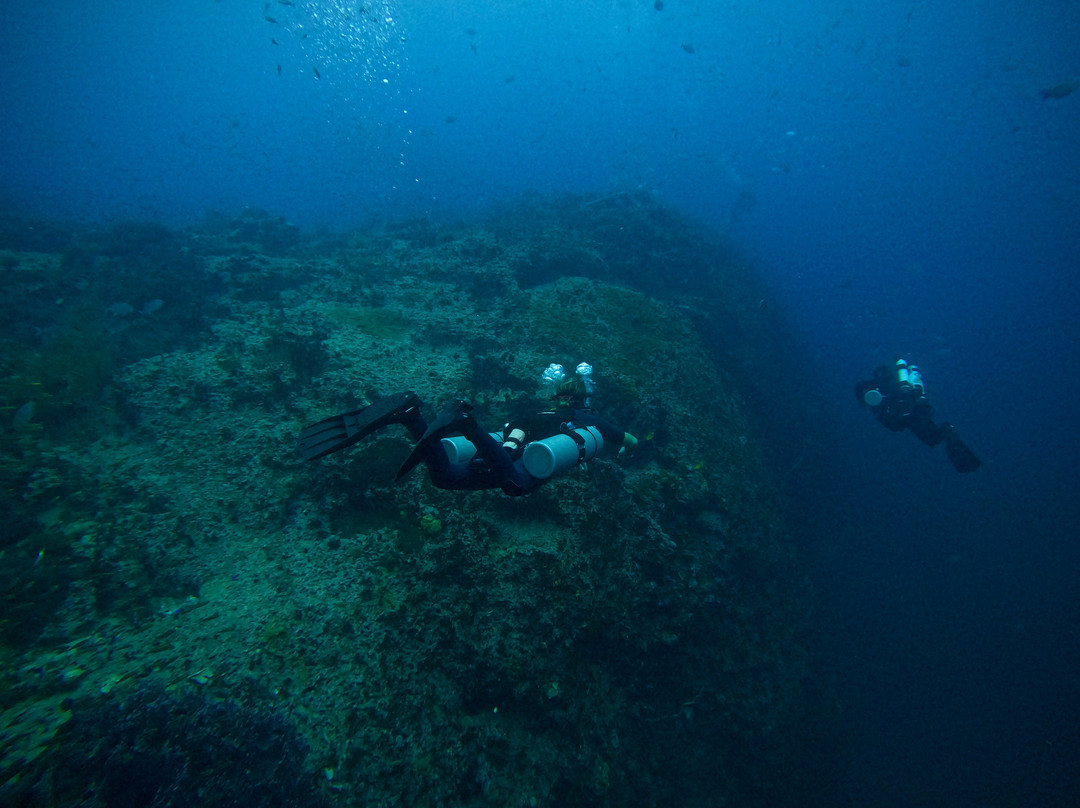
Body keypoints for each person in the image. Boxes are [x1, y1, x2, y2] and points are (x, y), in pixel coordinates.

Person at [297, 367, 638, 496]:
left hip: (505, 442)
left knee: (444, 477)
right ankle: (466, 423)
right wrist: (625, 446)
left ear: (558, 395)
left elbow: (517, 427)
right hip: (526, 461)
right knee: (516, 482)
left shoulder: (541, 411)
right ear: (584, 397)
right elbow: (629, 440)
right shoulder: (591, 419)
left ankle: (410, 416)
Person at [855, 358, 981, 473]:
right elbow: (894, 424)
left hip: (913, 411)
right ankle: (960, 451)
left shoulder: (883, 392)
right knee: (934, 437)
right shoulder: (883, 394)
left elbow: (895, 425)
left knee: (934, 437)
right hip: (914, 410)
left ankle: (962, 455)